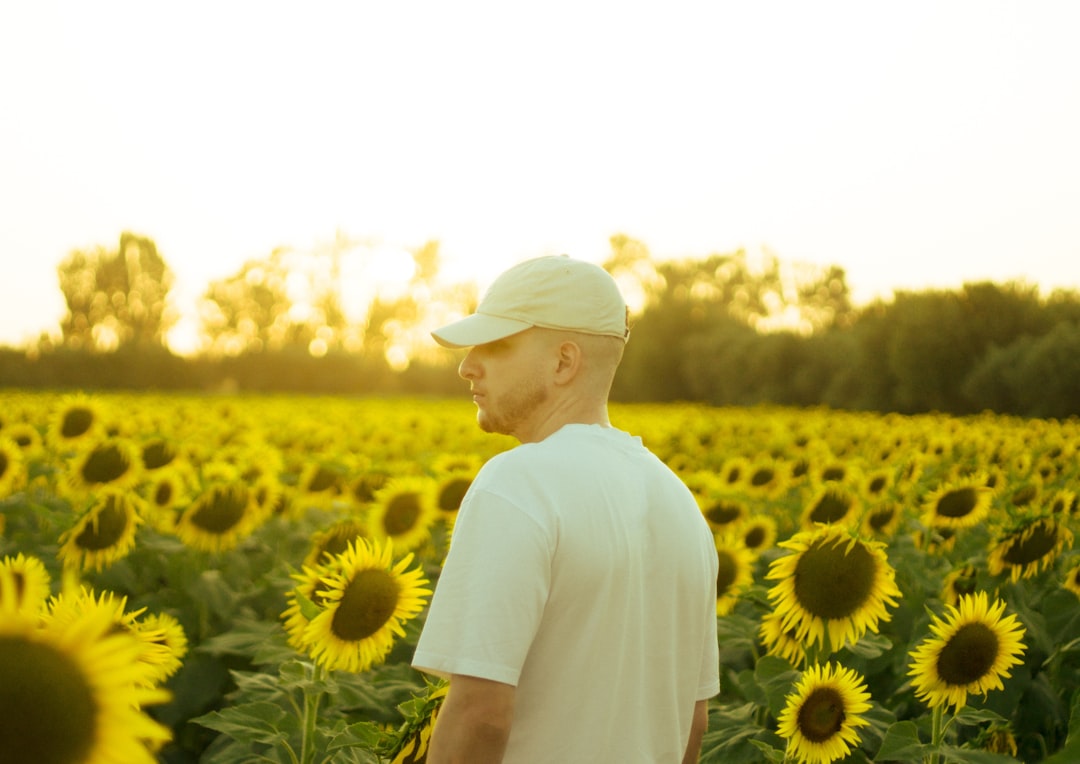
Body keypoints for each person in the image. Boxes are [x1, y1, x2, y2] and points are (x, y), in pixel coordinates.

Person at [412, 255, 720, 763]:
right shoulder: (680, 503)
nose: (467, 365)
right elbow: (691, 721)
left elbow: (479, 713)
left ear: (563, 361)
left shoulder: (517, 485)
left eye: (494, 345)